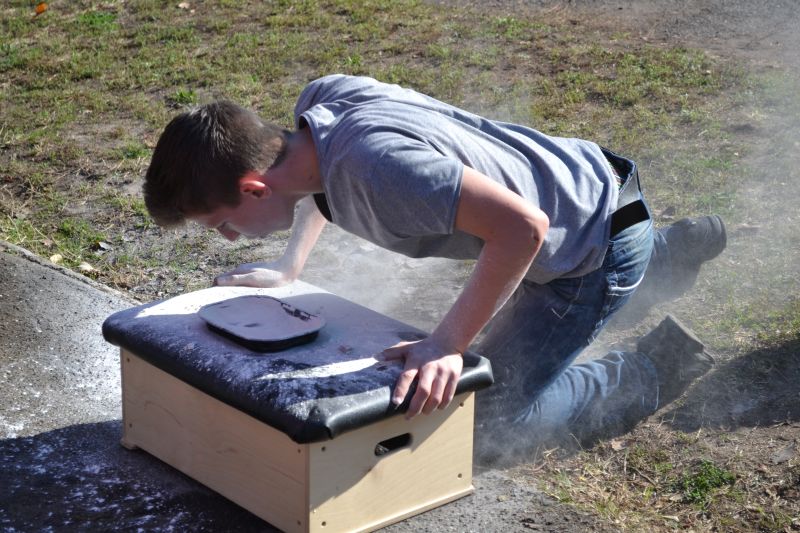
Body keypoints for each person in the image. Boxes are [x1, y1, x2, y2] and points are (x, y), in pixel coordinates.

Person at [143, 74, 726, 461]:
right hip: (585, 184)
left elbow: (524, 231)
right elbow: (314, 187)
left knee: (481, 422)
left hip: (585, 248)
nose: (227, 237)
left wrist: (447, 345)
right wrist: (290, 266)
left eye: (220, 223)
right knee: (602, 269)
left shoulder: (377, 169)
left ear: (252, 188)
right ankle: (666, 254)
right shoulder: (318, 113)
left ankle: (651, 368)